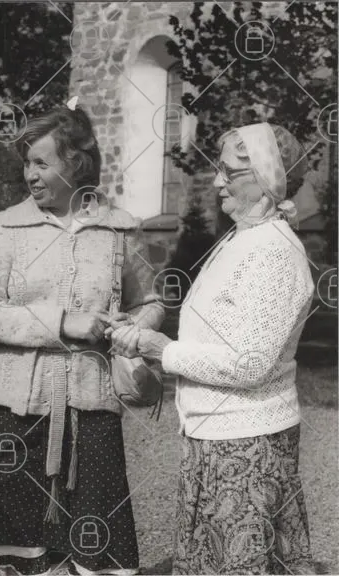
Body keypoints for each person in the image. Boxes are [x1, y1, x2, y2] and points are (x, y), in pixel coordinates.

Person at [0, 101, 165, 576]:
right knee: (19, 551)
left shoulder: (120, 228)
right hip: (12, 407)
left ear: (76, 163)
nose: (30, 174)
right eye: (27, 162)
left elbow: (151, 302)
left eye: (41, 163)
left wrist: (129, 326)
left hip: (92, 407)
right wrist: (63, 323)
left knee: (95, 548)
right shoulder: (7, 225)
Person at [118, 123, 315, 574]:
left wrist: (163, 350)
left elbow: (250, 364)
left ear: (266, 177)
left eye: (229, 172)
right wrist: (143, 330)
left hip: (248, 443)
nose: (216, 180)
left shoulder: (274, 252)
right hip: (218, 435)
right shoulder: (243, 237)